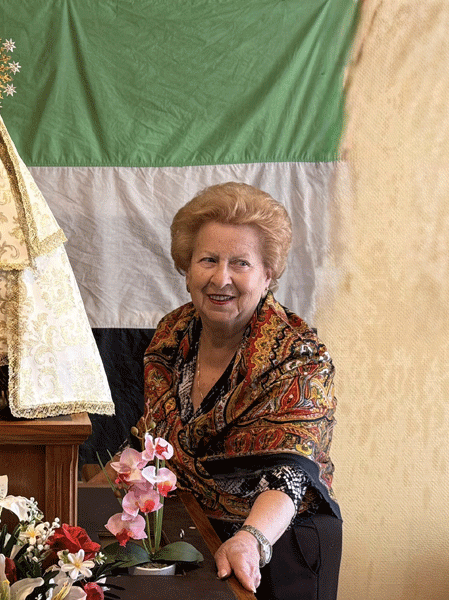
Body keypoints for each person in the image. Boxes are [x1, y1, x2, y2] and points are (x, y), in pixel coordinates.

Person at [138, 182, 341, 599]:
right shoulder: (171, 335)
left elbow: (290, 473)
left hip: (277, 542)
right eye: (208, 259)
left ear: (268, 275)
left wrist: (251, 539)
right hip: (190, 529)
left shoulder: (298, 356)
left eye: (241, 264)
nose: (221, 278)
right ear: (187, 267)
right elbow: (150, 441)